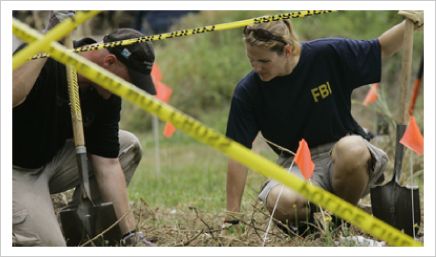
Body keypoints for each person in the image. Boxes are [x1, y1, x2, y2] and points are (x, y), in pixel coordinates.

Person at [222, 10, 424, 238]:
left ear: (287, 51)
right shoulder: (247, 92)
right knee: (284, 201)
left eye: (264, 61)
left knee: (353, 149)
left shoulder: (328, 54)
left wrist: (410, 23)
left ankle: (341, 224)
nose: (256, 68)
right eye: (251, 60)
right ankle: (311, 235)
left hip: (341, 152)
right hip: (295, 163)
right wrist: (233, 217)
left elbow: (382, 48)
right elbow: (238, 154)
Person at [12, 11, 156, 246]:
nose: (125, 91)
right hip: (13, 169)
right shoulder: (44, 56)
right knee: (53, 247)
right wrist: (49, 39)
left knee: (127, 145)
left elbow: (108, 163)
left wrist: (130, 235)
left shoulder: (105, 91)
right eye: (126, 83)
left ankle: (81, 227)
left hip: (49, 161)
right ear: (109, 62)